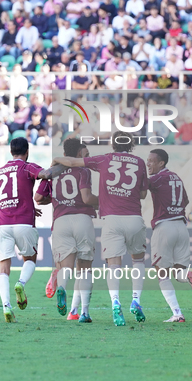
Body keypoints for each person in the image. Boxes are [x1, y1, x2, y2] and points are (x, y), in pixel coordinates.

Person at [53, 131, 149, 327]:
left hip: (111, 219)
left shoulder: (104, 159)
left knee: (113, 264)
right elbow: (143, 193)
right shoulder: (139, 162)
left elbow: (73, 163)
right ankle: (136, 301)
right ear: (131, 145)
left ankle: (115, 303)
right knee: (138, 260)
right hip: (134, 217)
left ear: (113, 145)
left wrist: (55, 158)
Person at [0, 137, 66, 323]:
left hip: (2, 223)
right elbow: (45, 174)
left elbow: (12, 193)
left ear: (11, 152)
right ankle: (21, 283)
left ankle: (6, 306)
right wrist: (65, 165)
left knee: (3, 268)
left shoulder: (1, 170)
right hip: (24, 222)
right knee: (30, 259)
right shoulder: (27, 167)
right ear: (27, 152)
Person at [35, 139, 98, 323]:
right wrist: (105, 200)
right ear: (78, 154)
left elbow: (38, 197)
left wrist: (56, 200)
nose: (87, 157)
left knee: (66, 267)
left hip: (61, 220)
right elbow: (86, 198)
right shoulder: (84, 171)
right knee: (85, 269)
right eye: (85, 154)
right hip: (82, 219)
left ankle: (62, 288)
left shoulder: (53, 172)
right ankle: (84, 312)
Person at [147, 149, 192, 323]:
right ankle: (189, 276)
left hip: (164, 227)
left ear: (161, 163)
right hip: (181, 226)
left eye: (151, 161)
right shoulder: (176, 177)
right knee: (179, 272)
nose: (148, 164)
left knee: (162, 275)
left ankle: (177, 313)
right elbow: (185, 201)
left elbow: (139, 188)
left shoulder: (156, 179)